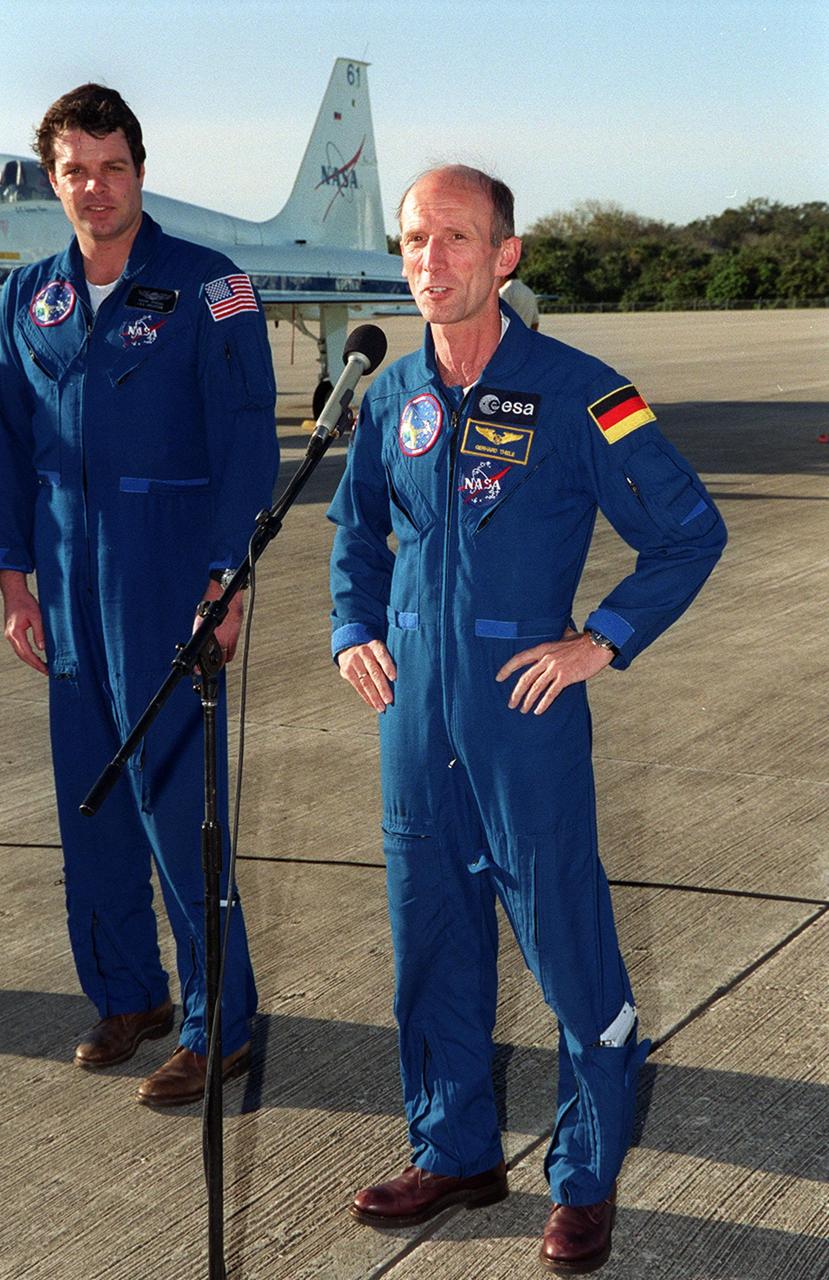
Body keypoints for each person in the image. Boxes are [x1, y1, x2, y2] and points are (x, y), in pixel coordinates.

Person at [328, 165, 725, 1273]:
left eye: (456, 239)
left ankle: (586, 1173)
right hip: (412, 720)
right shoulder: (389, 397)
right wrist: (352, 623)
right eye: (414, 240)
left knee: (569, 954)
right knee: (431, 947)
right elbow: (355, 532)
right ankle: (453, 1147)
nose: (430, 262)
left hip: (523, 719)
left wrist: (600, 638)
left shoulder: (585, 389)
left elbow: (690, 530)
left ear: (506, 254)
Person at [0, 85, 278, 1107]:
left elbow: (248, 438)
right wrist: (14, 579)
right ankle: (127, 994)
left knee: (175, 805)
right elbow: (13, 446)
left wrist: (225, 578)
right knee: (91, 802)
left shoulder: (209, 285)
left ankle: (218, 1022)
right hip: (65, 584)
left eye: (112, 167)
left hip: (167, 578)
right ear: (53, 177)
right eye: (75, 170)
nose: (95, 188)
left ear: (139, 171)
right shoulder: (30, 297)